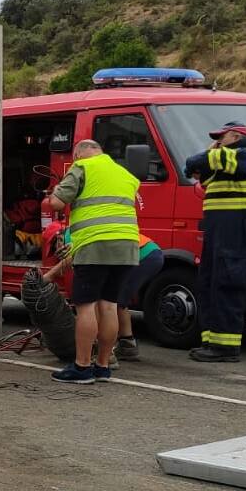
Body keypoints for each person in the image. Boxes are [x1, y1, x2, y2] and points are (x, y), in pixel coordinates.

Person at [46, 139, 140, 384]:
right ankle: (103, 366)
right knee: (109, 305)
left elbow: (56, 203)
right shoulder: (126, 173)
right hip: (128, 245)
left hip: (95, 245)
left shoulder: (82, 167)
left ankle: (82, 366)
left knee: (85, 306)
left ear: (78, 154)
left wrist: (55, 191)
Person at [184, 122, 246, 363]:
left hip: (236, 226)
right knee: (209, 281)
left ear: (237, 136)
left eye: (222, 137)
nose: (218, 141)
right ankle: (211, 341)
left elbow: (195, 161)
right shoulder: (227, 161)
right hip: (219, 228)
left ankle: (226, 347)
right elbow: (194, 171)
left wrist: (208, 154)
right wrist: (203, 160)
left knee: (228, 282)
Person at [114, 233, 164, 361]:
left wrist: (53, 272)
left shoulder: (70, 235)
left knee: (114, 300)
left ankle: (117, 348)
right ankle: (127, 344)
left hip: (144, 256)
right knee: (119, 300)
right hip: (152, 253)